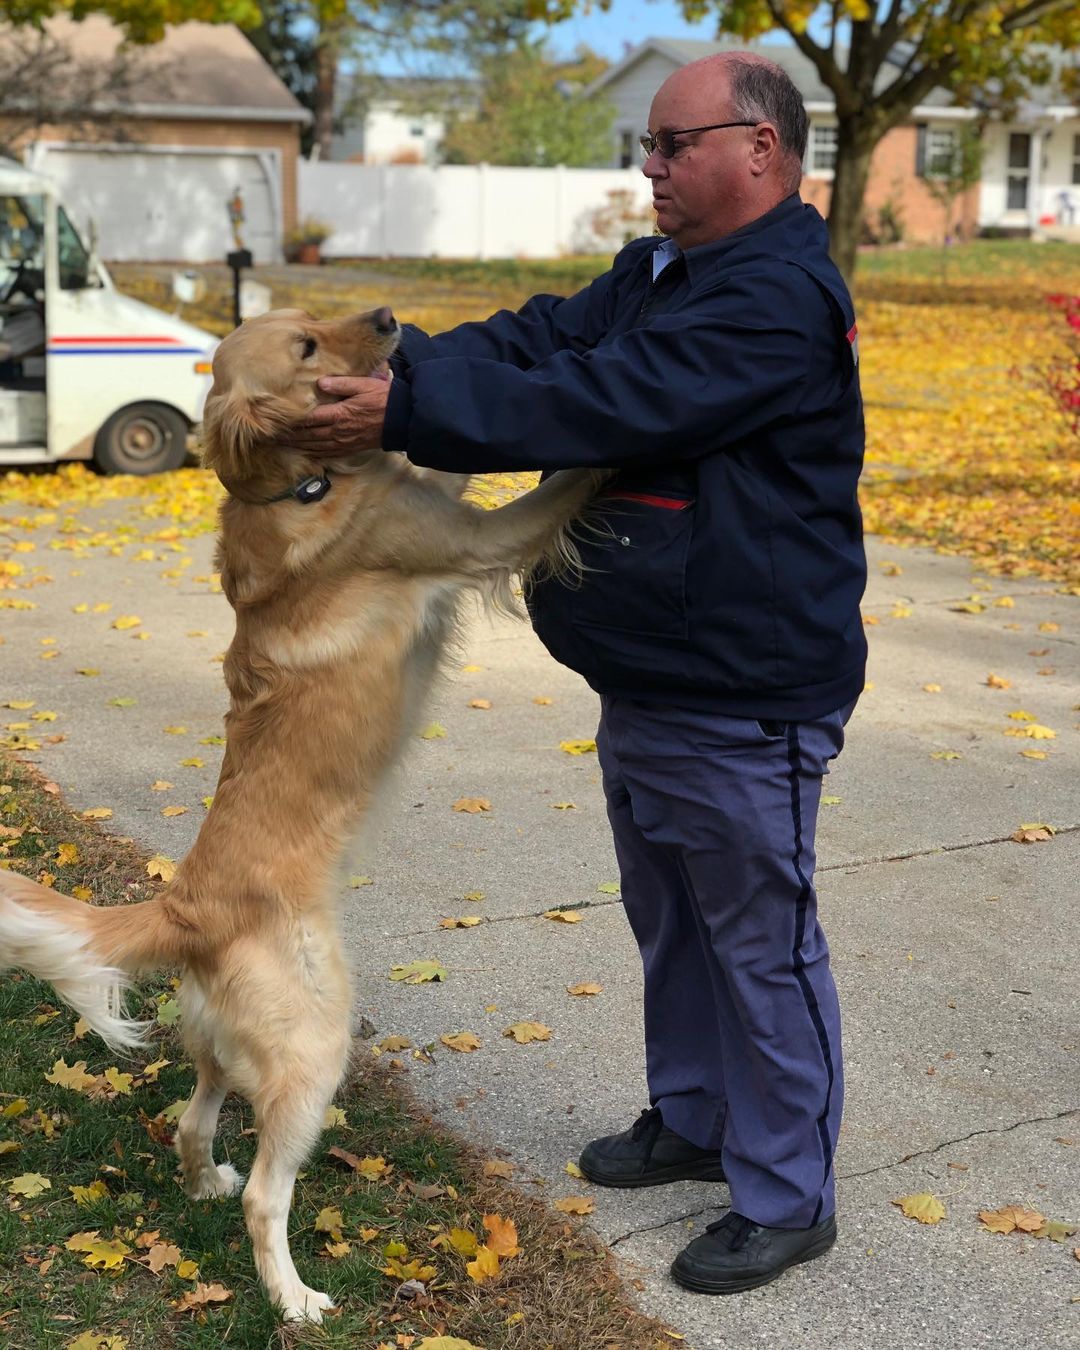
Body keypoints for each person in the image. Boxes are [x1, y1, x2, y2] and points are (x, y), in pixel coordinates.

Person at [292, 52, 866, 1295]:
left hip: (744, 687)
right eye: (645, 148)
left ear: (759, 147)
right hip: (652, 670)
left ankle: (787, 1191)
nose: (648, 169)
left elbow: (611, 398)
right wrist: (410, 368)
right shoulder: (665, 272)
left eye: (670, 145)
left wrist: (401, 419)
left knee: (759, 944)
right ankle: (697, 1118)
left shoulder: (774, 299)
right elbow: (548, 339)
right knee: (672, 921)